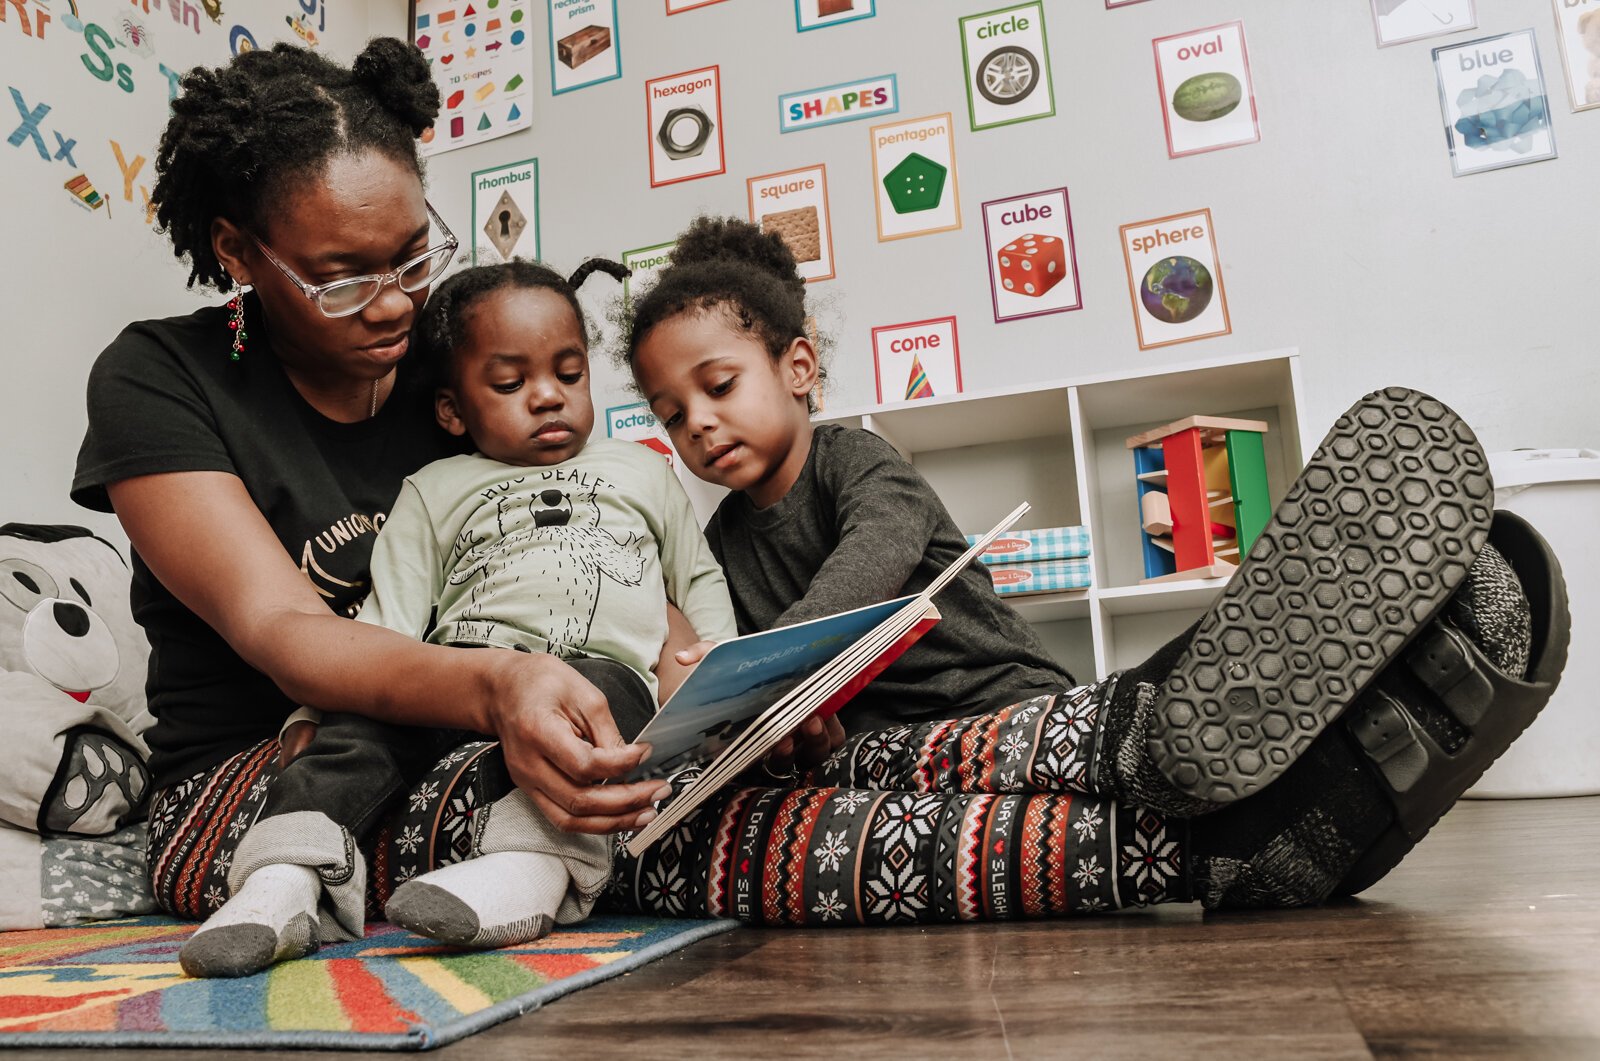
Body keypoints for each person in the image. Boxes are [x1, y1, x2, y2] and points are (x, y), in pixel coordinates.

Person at [607, 216, 1570, 924]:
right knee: (930, 821)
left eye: (718, 386)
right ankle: (1284, 818)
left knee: (1102, 767)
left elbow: (875, 562)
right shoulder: (725, 538)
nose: (696, 421)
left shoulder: (856, 459)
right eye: (669, 410)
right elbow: (772, 683)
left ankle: (1173, 703)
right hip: (893, 751)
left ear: (800, 368)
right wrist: (771, 725)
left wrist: (774, 665)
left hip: (1003, 701)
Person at [71, 41, 678, 966]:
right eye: (344, 277)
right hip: (267, 773)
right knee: (622, 806)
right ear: (237, 250)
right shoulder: (159, 378)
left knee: (687, 762)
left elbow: (590, 525)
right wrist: (503, 684)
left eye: (414, 255)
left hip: (470, 722)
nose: (396, 305)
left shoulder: (454, 376)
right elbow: (286, 628)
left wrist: (702, 672)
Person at [172, 258, 738, 977]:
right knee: (355, 734)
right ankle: (281, 881)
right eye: (510, 384)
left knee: (601, 706)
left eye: (570, 374)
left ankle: (526, 871)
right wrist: (313, 709)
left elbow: (697, 577)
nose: (547, 398)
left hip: (591, 673)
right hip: (460, 673)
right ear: (451, 410)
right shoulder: (434, 487)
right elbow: (388, 625)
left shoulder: (642, 470)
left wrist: (722, 677)